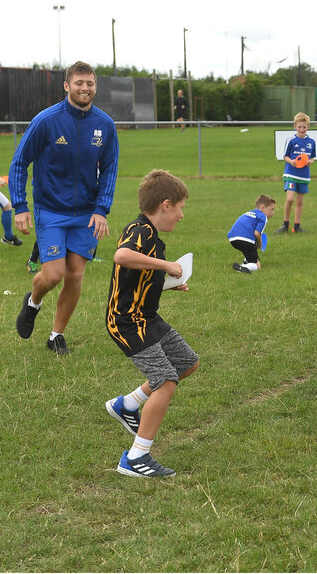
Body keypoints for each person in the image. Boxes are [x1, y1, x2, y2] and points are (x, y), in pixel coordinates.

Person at [10, 61, 119, 356]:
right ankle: (33, 301)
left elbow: (109, 170)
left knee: (75, 276)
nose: (85, 88)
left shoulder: (105, 125)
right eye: (79, 83)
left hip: (87, 213)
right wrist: (20, 207)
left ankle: (56, 335)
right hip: (51, 210)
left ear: (95, 86)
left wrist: (102, 209)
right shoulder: (46, 121)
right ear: (67, 86)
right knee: (54, 274)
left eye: (90, 83)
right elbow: (20, 163)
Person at [104, 169, 197, 478]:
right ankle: (135, 458)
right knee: (166, 382)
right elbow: (122, 256)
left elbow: (139, 275)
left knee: (187, 362)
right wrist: (164, 265)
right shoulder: (140, 229)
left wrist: (168, 281)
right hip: (128, 321)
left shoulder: (153, 238)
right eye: (181, 207)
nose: (182, 215)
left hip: (147, 317)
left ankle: (127, 405)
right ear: (166, 204)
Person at [274, 112, 316, 233]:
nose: (302, 129)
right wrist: (291, 162)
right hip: (291, 174)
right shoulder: (291, 140)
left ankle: (297, 226)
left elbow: (312, 157)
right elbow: (285, 156)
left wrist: (310, 162)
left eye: (304, 127)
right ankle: (285, 224)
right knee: (290, 199)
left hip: (303, 176)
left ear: (308, 127)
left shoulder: (311, 142)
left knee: (300, 201)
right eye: (299, 127)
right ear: (295, 126)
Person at [228, 195, 276, 273]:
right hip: (245, 239)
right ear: (263, 207)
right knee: (257, 265)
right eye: (272, 209)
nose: (273, 213)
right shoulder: (263, 217)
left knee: (249, 249)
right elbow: (257, 233)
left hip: (232, 238)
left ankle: (246, 261)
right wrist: (259, 245)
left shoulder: (250, 213)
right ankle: (243, 268)